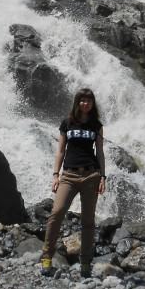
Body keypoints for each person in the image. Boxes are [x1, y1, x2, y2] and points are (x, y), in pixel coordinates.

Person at [40, 87, 106, 278]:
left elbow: (100, 152)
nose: (85, 103)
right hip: (68, 175)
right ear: (77, 102)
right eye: (82, 100)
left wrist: (103, 176)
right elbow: (60, 150)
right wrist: (55, 175)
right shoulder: (67, 123)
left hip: (91, 176)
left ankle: (85, 263)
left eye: (89, 101)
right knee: (56, 213)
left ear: (92, 104)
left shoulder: (96, 125)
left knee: (88, 221)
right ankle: (46, 257)